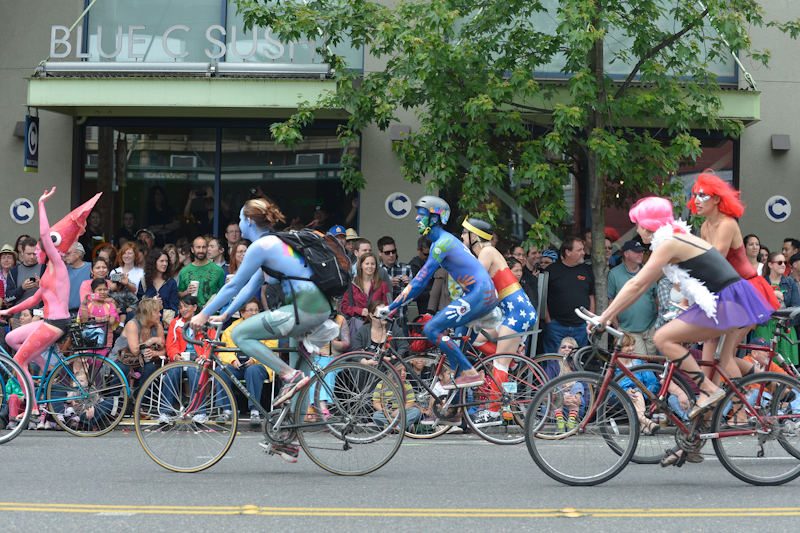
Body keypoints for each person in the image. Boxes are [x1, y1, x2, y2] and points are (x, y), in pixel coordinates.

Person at [595, 196, 774, 467]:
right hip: (724, 299)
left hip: (725, 302)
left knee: (662, 338)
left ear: (649, 225)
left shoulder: (668, 243)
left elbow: (637, 285)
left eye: (639, 224)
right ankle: (691, 444)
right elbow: (648, 285)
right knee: (705, 369)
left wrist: (605, 316)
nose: (637, 230)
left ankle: (709, 390)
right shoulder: (675, 238)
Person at [189, 198, 337, 463]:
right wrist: (225, 314)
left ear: (248, 221)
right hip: (314, 308)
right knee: (302, 380)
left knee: (240, 334)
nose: (238, 223)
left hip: (303, 308)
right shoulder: (273, 243)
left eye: (240, 218)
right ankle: (291, 442)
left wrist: (203, 313)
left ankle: (288, 375)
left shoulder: (261, 246)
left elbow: (233, 285)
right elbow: (249, 287)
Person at [378, 196, 499, 406]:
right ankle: (453, 412)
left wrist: (392, 306)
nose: (416, 219)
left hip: (479, 295)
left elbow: (419, 282)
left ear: (435, 218)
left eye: (421, 215)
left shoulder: (442, 244)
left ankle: (471, 373)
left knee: (431, 328)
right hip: (479, 294)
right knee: (456, 353)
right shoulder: (442, 242)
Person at [1, 188, 101, 419]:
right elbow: (34, 299)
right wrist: (6, 311)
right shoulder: (47, 271)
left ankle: (33, 406)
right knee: (11, 338)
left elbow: (45, 235)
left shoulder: (58, 263)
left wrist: (41, 204)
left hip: (56, 323)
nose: (37, 251)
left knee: (18, 360)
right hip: (48, 321)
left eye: (38, 248)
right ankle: (51, 366)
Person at [461, 216, 537, 425]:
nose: (461, 237)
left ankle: (493, 412)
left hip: (517, 312)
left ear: (474, 236)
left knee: (499, 364)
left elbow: (475, 282)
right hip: (511, 311)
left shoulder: (486, 252)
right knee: (478, 341)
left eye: (464, 233)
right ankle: (512, 360)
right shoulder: (485, 253)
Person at [689, 170, 778, 310]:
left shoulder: (727, 224)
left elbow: (714, 261)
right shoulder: (705, 226)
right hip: (728, 288)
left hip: (746, 288)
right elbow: (705, 262)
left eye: (702, 195)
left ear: (717, 199)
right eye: (695, 196)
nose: (696, 201)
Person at [212, 298, 278, 425]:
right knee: (221, 370)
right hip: (238, 365)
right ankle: (226, 411)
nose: (254, 313)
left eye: (256, 310)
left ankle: (255, 412)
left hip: (259, 365)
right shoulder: (231, 329)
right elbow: (224, 350)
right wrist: (232, 360)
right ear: (242, 313)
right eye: (250, 310)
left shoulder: (266, 327)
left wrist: (254, 359)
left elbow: (271, 349)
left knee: (253, 370)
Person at [162, 294, 214, 425]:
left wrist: (203, 357)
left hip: (199, 360)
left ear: (195, 307)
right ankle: (165, 412)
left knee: (193, 370)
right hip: (181, 359)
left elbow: (211, 344)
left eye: (186, 306)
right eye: (180, 307)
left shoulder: (206, 322)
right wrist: (175, 356)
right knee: (172, 371)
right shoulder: (175, 323)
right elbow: (170, 345)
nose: (183, 310)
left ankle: (200, 412)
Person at [542, 236, 595, 353]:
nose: (583, 252)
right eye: (579, 250)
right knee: (553, 360)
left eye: (583, 249)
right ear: (568, 252)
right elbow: (543, 299)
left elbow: (591, 296)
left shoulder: (587, 270)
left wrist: (590, 321)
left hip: (581, 327)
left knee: (577, 361)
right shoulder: (551, 270)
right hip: (556, 326)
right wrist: (548, 321)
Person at [607, 240, 659, 355]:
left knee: (654, 362)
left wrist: (658, 324)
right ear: (626, 254)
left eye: (642, 252)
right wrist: (618, 329)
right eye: (637, 252)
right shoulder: (614, 274)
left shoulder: (648, 271)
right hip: (629, 330)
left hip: (651, 328)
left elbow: (656, 298)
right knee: (641, 362)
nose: (641, 254)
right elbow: (611, 302)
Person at [752, 252, 800, 364]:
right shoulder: (760, 282)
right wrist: (772, 294)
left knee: (786, 365)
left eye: (785, 263)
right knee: (762, 363)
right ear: (770, 265)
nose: (783, 265)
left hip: (785, 327)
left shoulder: (790, 283)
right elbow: (755, 305)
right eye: (779, 262)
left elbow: (796, 308)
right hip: (765, 325)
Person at [109, 297, 166, 384]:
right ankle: (116, 393)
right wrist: (152, 340)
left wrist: (154, 353)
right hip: (121, 359)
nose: (160, 315)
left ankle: (142, 393)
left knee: (150, 368)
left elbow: (164, 351)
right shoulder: (133, 324)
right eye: (157, 312)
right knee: (123, 370)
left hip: (140, 361)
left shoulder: (158, 326)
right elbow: (135, 350)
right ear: (147, 314)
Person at [372, 363, 423, 431]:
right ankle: (402, 427)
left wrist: (399, 410)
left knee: (416, 412)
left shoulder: (407, 384)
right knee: (376, 416)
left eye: (405, 370)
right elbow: (376, 403)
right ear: (390, 372)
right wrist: (384, 410)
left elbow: (411, 403)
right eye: (399, 370)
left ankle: (392, 428)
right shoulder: (381, 384)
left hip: (403, 411)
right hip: (388, 413)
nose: (403, 373)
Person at [177, 236, 225, 307]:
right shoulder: (184, 271)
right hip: (191, 312)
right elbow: (179, 294)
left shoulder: (218, 270)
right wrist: (187, 292)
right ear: (192, 250)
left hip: (211, 312)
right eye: (198, 247)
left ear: (207, 249)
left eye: (204, 247)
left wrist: (214, 304)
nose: (201, 251)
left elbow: (224, 294)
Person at [341, 254, 390, 321]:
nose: (370, 266)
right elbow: (344, 307)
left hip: (377, 323)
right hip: (358, 324)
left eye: (372, 264)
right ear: (361, 265)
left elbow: (389, 307)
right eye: (367, 263)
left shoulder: (383, 285)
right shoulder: (352, 285)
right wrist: (359, 311)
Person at [378, 236, 413, 329]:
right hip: (381, 321)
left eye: (393, 251)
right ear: (380, 253)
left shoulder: (406, 269)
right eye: (387, 252)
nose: (391, 255)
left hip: (401, 319)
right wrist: (388, 285)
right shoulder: (376, 270)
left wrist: (411, 285)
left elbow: (414, 298)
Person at [78, 278, 120, 354]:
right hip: (90, 341)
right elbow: (85, 321)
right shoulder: (87, 305)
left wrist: (93, 318)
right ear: (92, 291)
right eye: (99, 289)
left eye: (105, 289)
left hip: (106, 342)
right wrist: (83, 304)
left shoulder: (111, 305)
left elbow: (111, 321)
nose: (103, 292)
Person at [138, 248, 179, 318]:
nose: (165, 264)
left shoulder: (171, 283)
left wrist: (169, 320)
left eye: (166, 261)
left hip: (165, 321)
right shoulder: (144, 282)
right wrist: (151, 302)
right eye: (161, 261)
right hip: (147, 320)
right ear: (154, 262)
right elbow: (139, 304)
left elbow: (173, 306)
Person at [5, 237, 45, 309]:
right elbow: (8, 298)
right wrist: (22, 288)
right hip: (19, 314)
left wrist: (41, 286)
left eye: (34, 254)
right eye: (28, 254)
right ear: (22, 252)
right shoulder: (14, 272)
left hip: (40, 313)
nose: (32, 257)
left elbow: (55, 293)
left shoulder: (45, 268)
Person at [408, 235, 434, 314]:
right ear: (418, 250)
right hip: (424, 309)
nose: (428, 257)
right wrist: (430, 293)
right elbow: (413, 295)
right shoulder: (413, 266)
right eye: (426, 254)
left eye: (431, 254)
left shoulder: (435, 262)